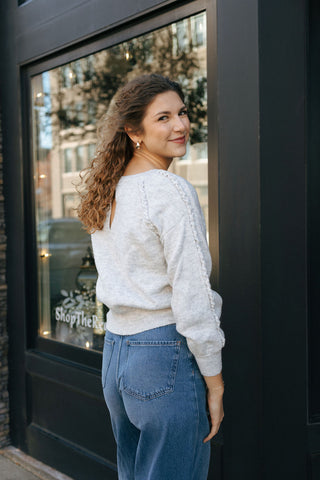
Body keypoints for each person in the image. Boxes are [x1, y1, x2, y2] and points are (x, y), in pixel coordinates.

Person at [78, 73, 225, 480]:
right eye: (163, 118)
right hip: (164, 357)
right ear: (133, 131)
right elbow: (192, 296)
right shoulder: (169, 190)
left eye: (181, 112)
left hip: (118, 357)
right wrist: (215, 382)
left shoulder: (109, 191)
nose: (180, 125)